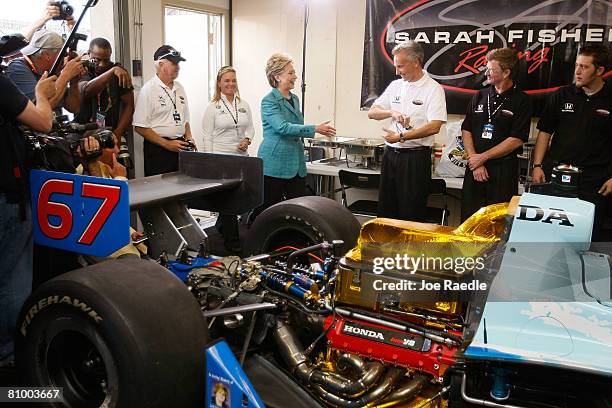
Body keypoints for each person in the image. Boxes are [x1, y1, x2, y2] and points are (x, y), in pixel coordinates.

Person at [0, 65, 56, 368]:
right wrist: (41, 94)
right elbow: (43, 122)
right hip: (6, 198)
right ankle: (12, 361)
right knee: (11, 281)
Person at [532, 44, 612, 240]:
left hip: (595, 181)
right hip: (558, 177)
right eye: (577, 65)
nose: (577, 71)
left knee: (586, 239)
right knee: (551, 237)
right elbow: (544, 132)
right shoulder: (562, 95)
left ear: (600, 70)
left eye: (584, 67)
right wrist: (537, 165)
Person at [368, 41, 447, 221]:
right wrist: (392, 112)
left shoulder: (433, 89)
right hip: (390, 156)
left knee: (410, 212)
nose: (397, 71)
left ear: (416, 62)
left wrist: (401, 136)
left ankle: (408, 250)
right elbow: (372, 113)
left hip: (415, 159)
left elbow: (435, 125)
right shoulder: (396, 85)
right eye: (396, 66)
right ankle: (385, 249)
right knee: (386, 210)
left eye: (401, 66)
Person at [460, 47, 532, 221]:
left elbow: (516, 139)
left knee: (497, 222)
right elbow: (466, 129)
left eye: (491, 69)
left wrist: (483, 157)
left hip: (502, 171)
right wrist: (475, 161)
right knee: (470, 219)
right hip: (475, 168)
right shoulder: (480, 95)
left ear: (506, 72)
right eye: (487, 67)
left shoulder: (522, 100)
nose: (487, 73)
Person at [257, 53, 336, 212]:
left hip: (296, 164)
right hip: (275, 164)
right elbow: (283, 128)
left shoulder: (295, 98)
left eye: (294, 72)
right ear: (277, 76)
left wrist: (317, 131)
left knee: (298, 210)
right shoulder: (269, 101)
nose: (295, 76)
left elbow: (295, 127)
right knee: (270, 211)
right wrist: (314, 129)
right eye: (291, 73)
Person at [202, 66, 254, 253]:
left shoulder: (243, 104)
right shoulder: (213, 107)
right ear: (219, 83)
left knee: (238, 198)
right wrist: (210, 162)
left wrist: (247, 140)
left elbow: (251, 128)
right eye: (226, 81)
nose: (231, 84)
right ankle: (232, 243)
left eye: (233, 80)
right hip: (222, 159)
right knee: (229, 201)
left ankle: (222, 226)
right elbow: (207, 136)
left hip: (241, 158)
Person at [133, 45, 195, 176]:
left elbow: (185, 120)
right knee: (161, 191)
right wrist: (167, 144)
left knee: (182, 190)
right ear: (161, 64)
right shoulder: (148, 90)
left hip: (180, 146)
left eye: (178, 63)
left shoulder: (180, 88)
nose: (178, 67)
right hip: (159, 150)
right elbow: (139, 126)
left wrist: (189, 138)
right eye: (174, 63)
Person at [75, 37, 134, 153]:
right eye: (97, 60)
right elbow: (86, 90)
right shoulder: (82, 69)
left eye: (106, 60)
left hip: (111, 131)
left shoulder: (119, 71)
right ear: (88, 54)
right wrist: (111, 72)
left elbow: (129, 105)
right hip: (84, 132)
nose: (102, 64)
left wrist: (118, 132)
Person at [5, 30, 85, 115]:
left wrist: (73, 81)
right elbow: (37, 113)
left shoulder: (52, 71)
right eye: (62, 54)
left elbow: (74, 108)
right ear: (47, 55)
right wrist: (66, 75)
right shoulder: (17, 68)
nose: (64, 58)